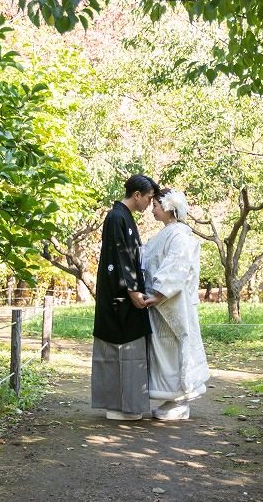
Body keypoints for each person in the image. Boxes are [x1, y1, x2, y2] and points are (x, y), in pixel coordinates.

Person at [91, 174, 160, 420]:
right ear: (137, 194)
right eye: (149, 198)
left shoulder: (124, 217)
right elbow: (118, 256)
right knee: (116, 346)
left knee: (130, 347)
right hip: (118, 295)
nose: (150, 204)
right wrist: (131, 290)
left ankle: (127, 404)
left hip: (126, 292)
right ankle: (118, 406)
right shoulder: (116, 217)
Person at [141, 188, 210, 420]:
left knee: (175, 350)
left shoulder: (179, 235)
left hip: (172, 303)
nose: (153, 209)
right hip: (161, 306)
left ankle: (179, 401)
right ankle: (171, 399)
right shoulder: (167, 233)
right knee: (164, 352)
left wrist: (160, 293)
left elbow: (178, 266)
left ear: (169, 207)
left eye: (157, 206)